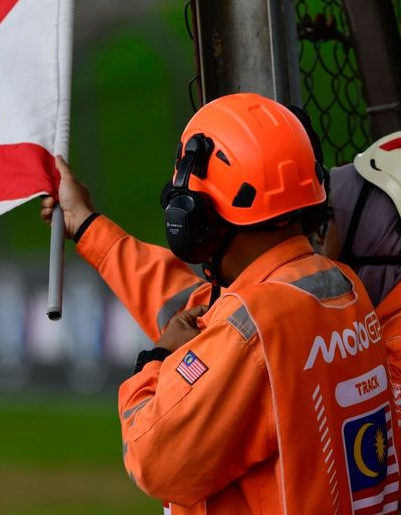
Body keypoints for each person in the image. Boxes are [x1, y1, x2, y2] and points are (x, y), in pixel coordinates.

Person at [41, 93, 400, 514]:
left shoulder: (254, 326)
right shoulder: (341, 291)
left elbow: (152, 457)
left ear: (195, 218)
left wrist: (157, 360)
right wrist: (88, 227)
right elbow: (202, 308)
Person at [318, 134, 401, 402]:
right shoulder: (377, 326)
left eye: (330, 218)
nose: (319, 238)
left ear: (380, 231)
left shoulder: (390, 350)